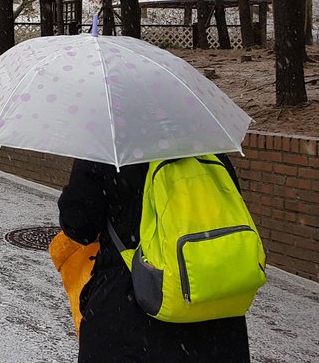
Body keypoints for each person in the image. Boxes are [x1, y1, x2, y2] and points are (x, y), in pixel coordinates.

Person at [58, 155, 250, 363]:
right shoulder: (209, 148)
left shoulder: (107, 151)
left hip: (132, 308)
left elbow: (79, 226)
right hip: (212, 309)